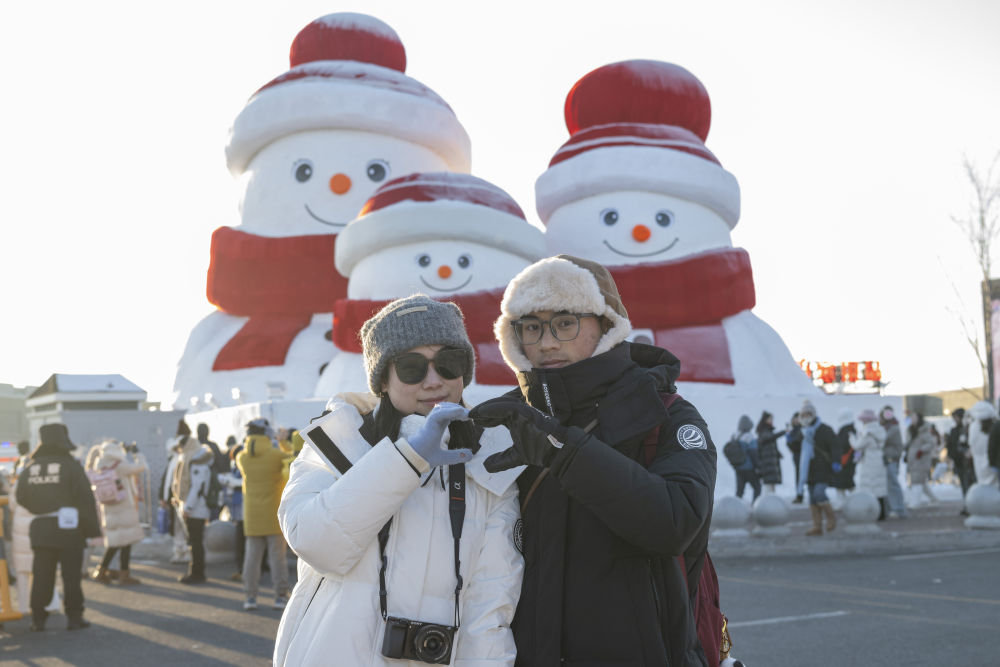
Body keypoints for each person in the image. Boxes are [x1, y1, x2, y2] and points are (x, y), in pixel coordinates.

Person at [469, 255, 719, 666]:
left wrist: (561, 452)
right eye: (531, 326)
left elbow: (676, 522)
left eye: (565, 322)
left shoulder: (666, 413)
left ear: (606, 325)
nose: (547, 342)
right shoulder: (503, 421)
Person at [274, 294, 523, 666]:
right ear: (383, 381)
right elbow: (317, 543)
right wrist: (409, 458)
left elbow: (491, 606)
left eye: (449, 362)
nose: (434, 380)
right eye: (411, 368)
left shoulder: (491, 459)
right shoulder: (340, 439)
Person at [14, 423, 101, 631]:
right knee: (71, 576)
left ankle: (38, 619)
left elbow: (20, 497)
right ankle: (74, 616)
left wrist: (41, 508)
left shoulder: (30, 468)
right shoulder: (70, 465)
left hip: (41, 528)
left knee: (42, 574)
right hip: (69, 529)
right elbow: (85, 499)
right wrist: (92, 531)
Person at [236, 418, 290, 611]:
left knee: (251, 559)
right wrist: (283, 441)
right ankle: (280, 596)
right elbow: (294, 459)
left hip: (252, 515)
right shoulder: (275, 455)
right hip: (273, 514)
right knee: (277, 559)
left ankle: (250, 597)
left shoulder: (241, 457)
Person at [85, 440, 148, 585]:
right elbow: (140, 467)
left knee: (114, 543)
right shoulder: (119, 466)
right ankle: (124, 574)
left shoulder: (101, 465)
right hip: (124, 508)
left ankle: (101, 571)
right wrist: (137, 453)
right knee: (126, 542)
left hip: (108, 509)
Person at [170, 420, 214, 584]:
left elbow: (197, 486)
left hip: (196, 508)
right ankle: (196, 571)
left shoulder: (196, 460)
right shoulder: (194, 457)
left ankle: (197, 572)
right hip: (194, 507)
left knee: (195, 542)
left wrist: (187, 507)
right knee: (194, 541)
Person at [798, 401, 840, 536]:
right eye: (803, 415)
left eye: (808, 414)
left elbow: (835, 446)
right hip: (808, 470)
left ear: (813, 414)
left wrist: (836, 461)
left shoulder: (824, 429)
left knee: (819, 493)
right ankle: (817, 526)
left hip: (822, 468)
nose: (806, 417)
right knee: (812, 498)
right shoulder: (802, 432)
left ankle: (831, 518)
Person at [851, 409, 889, 519]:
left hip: (869, 461)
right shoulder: (880, 430)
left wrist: (852, 438)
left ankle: (873, 513)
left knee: (870, 488)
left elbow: (858, 446)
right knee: (879, 488)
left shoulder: (867, 433)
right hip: (879, 459)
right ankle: (882, 514)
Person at [904, 412, 938, 506]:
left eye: (914, 417)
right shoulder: (910, 430)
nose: (912, 419)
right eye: (911, 417)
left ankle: (915, 502)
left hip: (921, 460)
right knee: (920, 482)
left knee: (917, 481)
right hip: (913, 459)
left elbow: (930, 444)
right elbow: (909, 444)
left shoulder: (924, 431)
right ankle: (934, 499)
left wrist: (921, 450)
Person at [880, 406, 907, 518]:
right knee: (887, 485)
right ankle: (891, 508)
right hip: (888, 459)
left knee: (893, 484)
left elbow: (883, 439)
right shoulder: (888, 427)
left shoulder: (893, 428)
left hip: (891, 459)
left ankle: (898, 508)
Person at [945, 408, 974, 513]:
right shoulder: (954, 430)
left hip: (966, 462)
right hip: (958, 461)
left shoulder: (967, 429)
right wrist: (950, 456)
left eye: (956, 417)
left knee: (968, 484)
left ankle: (970, 506)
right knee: (964, 484)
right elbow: (951, 445)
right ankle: (967, 505)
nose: (955, 419)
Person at [829, 408, 857, 509]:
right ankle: (850, 501)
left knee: (844, 484)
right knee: (846, 483)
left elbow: (842, 446)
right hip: (848, 462)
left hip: (844, 461)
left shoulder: (845, 430)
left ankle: (847, 501)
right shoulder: (850, 429)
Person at [731, 415, 761, 501]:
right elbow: (754, 454)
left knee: (739, 491)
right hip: (749, 468)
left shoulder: (735, 436)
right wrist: (758, 467)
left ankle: (736, 509)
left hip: (738, 468)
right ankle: (755, 507)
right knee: (757, 487)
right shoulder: (749, 437)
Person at [755, 411, 785, 495]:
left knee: (772, 484)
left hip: (771, 462)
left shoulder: (768, 431)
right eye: (770, 419)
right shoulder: (764, 431)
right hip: (767, 463)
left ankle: (772, 502)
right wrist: (783, 432)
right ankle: (768, 504)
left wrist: (778, 453)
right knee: (768, 485)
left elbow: (770, 444)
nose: (772, 421)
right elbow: (769, 438)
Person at [786, 412, 804, 503]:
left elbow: (796, 443)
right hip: (797, 456)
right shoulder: (793, 430)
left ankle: (801, 494)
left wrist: (791, 441)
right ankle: (799, 495)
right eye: (795, 418)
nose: (796, 420)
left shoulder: (802, 429)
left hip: (803, 455)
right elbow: (790, 445)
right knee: (798, 476)